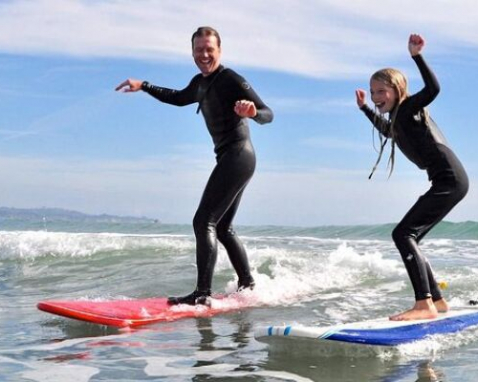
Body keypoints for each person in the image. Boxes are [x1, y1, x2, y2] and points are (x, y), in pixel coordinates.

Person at [116, 26, 273, 305]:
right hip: (231, 158)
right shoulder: (200, 84)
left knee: (203, 221)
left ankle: (202, 293)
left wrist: (253, 112)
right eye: (199, 49)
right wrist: (145, 86)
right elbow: (178, 98)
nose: (204, 54)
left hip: (239, 155)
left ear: (219, 51)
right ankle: (247, 284)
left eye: (209, 49)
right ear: (192, 52)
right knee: (222, 227)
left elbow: (268, 114)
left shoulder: (231, 79)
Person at [355, 34, 469, 321]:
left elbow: (433, 88)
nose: (376, 97)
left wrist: (416, 56)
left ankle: (424, 304)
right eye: (372, 93)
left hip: (450, 179)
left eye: (381, 92)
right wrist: (365, 109)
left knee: (403, 234)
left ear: (396, 90)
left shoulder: (408, 109)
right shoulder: (399, 119)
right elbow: (387, 130)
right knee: (411, 238)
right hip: (449, 180)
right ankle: (438, 302)